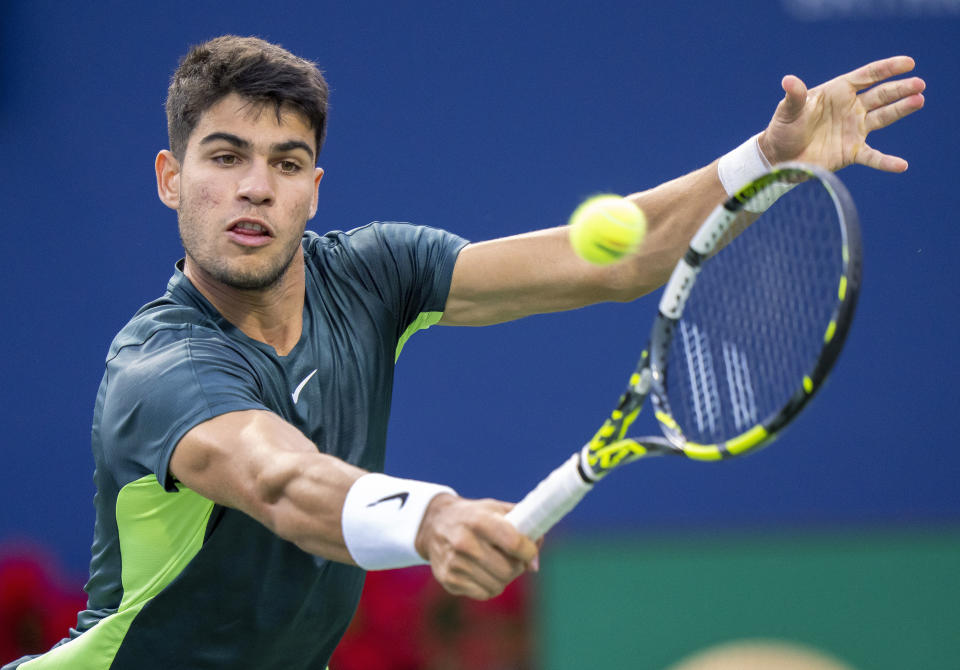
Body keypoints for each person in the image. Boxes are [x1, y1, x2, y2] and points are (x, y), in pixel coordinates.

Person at [2, 35, 924, 670]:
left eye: (285, 164)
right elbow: (279, 481)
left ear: (314, 190)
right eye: (223, 157)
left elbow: (618, 258)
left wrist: (763, 157)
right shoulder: (157, 366)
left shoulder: (370, 274)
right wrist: (433, 518)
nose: (254, 188)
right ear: (172, 178)